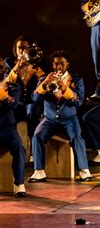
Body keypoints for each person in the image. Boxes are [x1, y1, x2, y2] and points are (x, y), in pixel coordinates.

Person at [28, 50, 93, 182]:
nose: (59, 67)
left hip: (69, 119)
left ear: (67, 64)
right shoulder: (43, 79)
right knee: (36, 136)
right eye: (56, 64)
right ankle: (39, 171)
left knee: (77, 137)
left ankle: (84, 170)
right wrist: (45, 83)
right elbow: (35, 98)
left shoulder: (77, 80)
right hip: (49, 118)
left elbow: (78, 102)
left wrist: (64, 88)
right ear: (52, 65)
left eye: (62, 64)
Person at [4, 36, 48, 160]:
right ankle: (12, 150)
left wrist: (36, 70)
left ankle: (34, 153)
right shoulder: (8, 63)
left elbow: (45, 80)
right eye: (19, 48)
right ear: (15, 49)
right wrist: (17, 67)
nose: (22, 51)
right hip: (15, 102)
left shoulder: (38, 63)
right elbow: (6, 82)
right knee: (9, 116)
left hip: (31, 102)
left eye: (25, 48)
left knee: (32, 112)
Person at [0, 58, 26, 197]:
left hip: (7, 129)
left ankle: (19, 184)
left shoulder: (13, 86)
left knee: (18, 148)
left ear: (5, 69)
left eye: (0, 67)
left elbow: (12, 104)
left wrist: (2, 94)